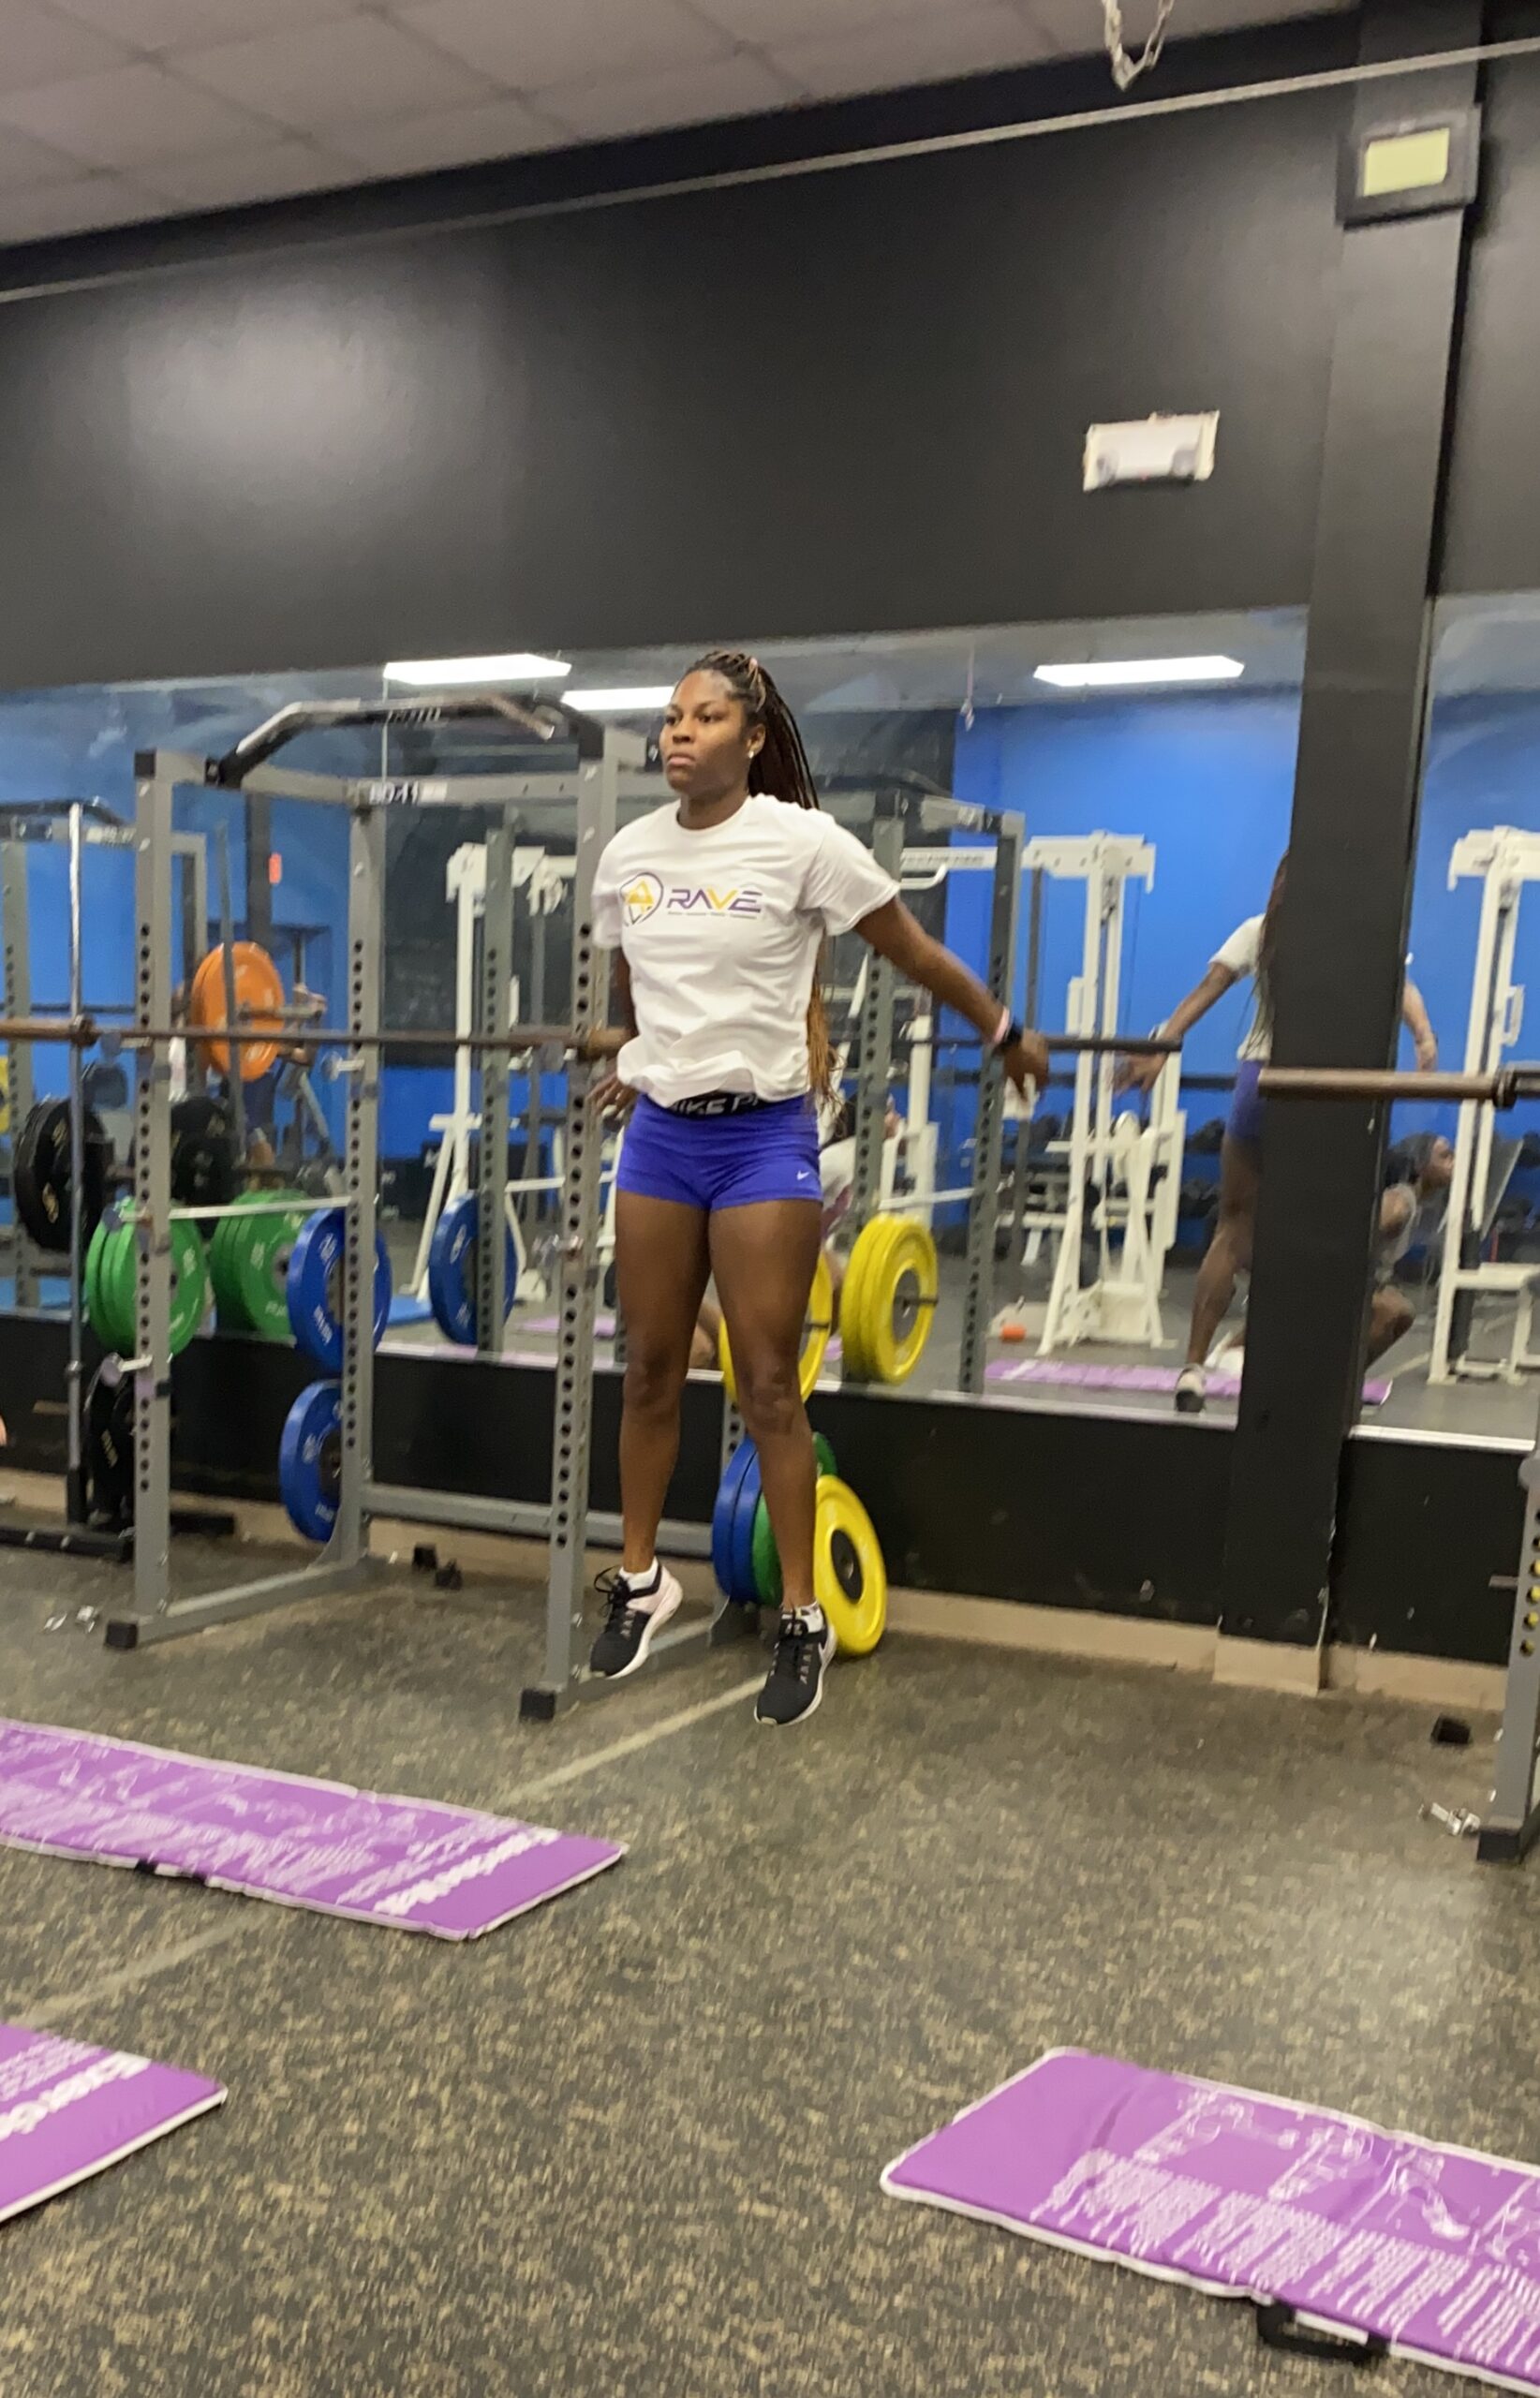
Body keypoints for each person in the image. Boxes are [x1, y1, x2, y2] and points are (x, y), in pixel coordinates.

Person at [586, 649, 1047, 1726]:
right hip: (661, 1135)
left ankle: (801, 1617)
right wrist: (642, 1047)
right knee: (650, 1364)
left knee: (768, 1386)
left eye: (705, 717)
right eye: (670, 716)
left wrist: (1001, 1027)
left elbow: (913, 950)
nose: (679, 732)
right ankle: (645, 1578)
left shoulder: (802, 844)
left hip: (762, 1141)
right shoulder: (628, 854)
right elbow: (635, 976)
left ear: (751, 739)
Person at [1121, 855, 1439, 1414]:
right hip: (1327, 1094)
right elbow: (1403, 988)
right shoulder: (1362, 938)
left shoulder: (1261, 930)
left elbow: (1204, 992)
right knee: (1326, 1231)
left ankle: (1194, 1367)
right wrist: (1424, 1037)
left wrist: (1162, 1046)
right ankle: (1307, 1380)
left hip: (1262, 1083)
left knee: (1235, 1228)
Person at [1369, 1132, 1454, 1364]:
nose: (1453, 1163)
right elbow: (1372, 1228)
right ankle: (1342, 1380)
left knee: (1404, 1313)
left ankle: (1354, 1377)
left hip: (1372, 1279)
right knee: (1391, 1309)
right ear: (1421, 1163)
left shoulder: (1416, 1202)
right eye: (1445, 1157)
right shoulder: (1402, 1200)